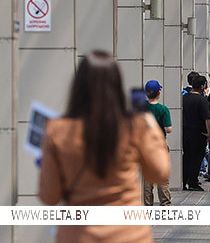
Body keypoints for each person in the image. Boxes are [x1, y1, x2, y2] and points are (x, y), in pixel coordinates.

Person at [39, 51, 169, 243]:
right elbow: (158, 173)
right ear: (117, 86)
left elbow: (49, 196)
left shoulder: (58, 130)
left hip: (78, 234)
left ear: (77, 87)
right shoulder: (134, 127)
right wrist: (149, 125)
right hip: (128, 234)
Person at [143, 80, 172, 206]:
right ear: (159, 93)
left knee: (147, 179)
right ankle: (165, 205)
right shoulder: (163, 109)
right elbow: (168, 129)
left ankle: (147, 206)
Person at [182, 75, 210, 191]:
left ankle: (183, 181)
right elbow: (208, 118)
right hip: (199, 134)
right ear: (203, 86)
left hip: (185, 133)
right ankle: (193, 182)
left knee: (186, 157)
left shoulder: (184, 98)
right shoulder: (202, 100)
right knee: (196, 158)